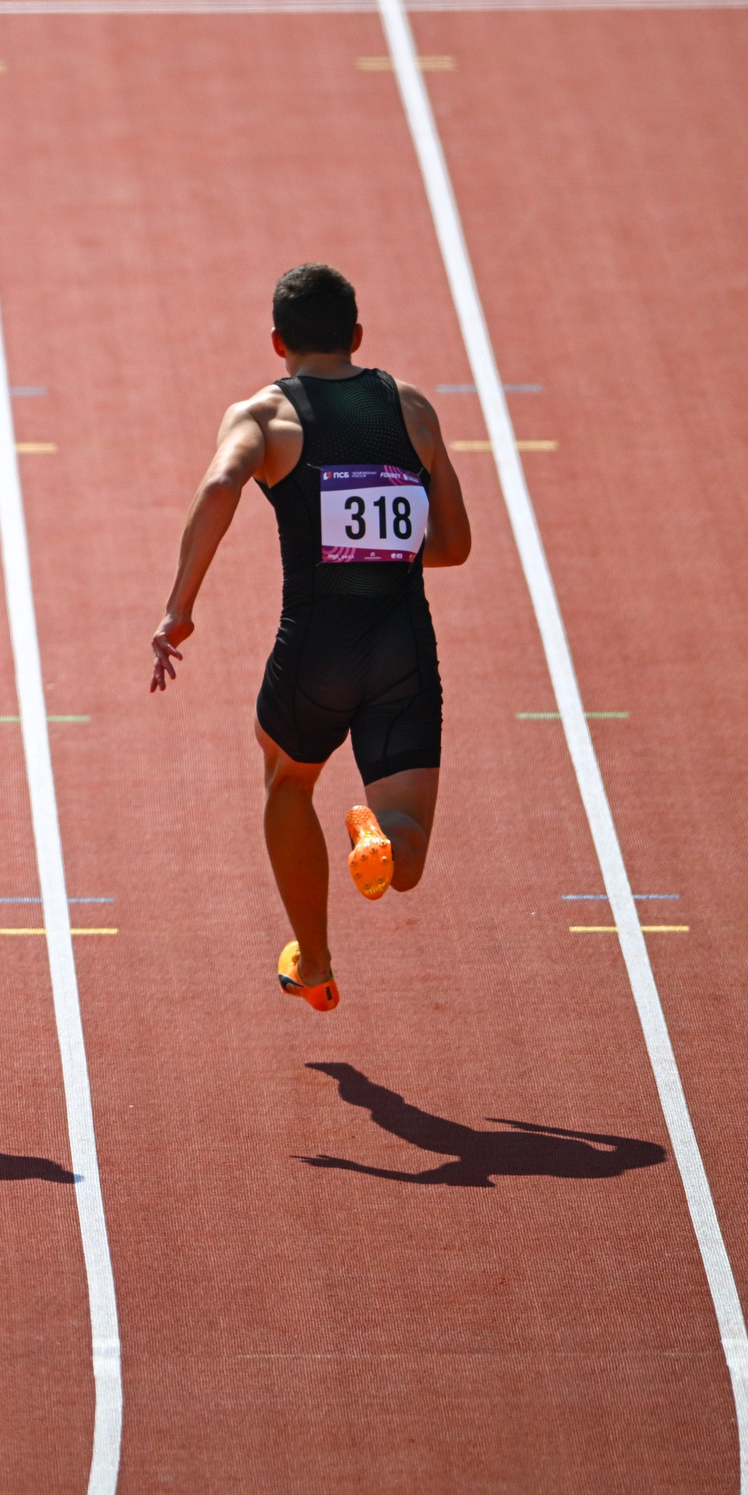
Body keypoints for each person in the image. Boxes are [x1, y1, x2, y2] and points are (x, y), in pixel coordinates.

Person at [150, 263, 470, 1011]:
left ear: (277, 342)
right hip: (403, 647)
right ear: (357, 336)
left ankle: (316, 962)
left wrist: (179, 607)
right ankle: (376, 835)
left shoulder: (265, 417)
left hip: (317, 649)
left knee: (289, 781)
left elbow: (220, 486)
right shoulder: (412, 408)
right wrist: (376, 538)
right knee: (408, 851)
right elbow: (453, 544)